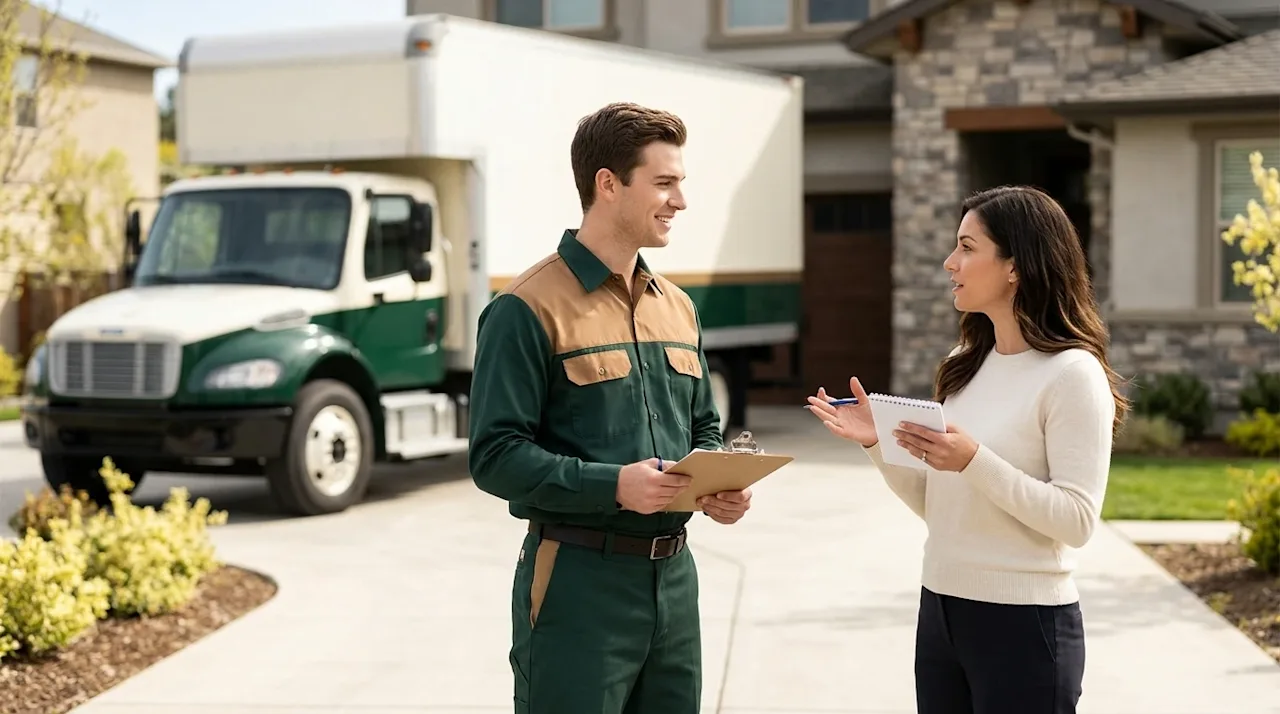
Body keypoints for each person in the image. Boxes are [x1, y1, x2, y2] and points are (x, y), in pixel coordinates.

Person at [467, 102, 753, 714]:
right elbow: (494, 457)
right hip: (577, 584)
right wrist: (613, 486)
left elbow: (703, 424)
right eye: (664, 182)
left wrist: (719, 483)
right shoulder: (525, 308)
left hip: (675, 583)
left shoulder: (678, 307)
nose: (680, 200)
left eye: (681, 183)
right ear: (608, 184)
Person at [806, 185, 1129, 714]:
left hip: (1024, 626)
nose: (949, 261)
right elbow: (941, 507)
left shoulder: (1072, 374)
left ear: (1016, 266)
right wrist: (875, 441)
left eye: (967, 247)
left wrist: (975, 460)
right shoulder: (965, 365)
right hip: (941, 611)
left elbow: (1076, 520)